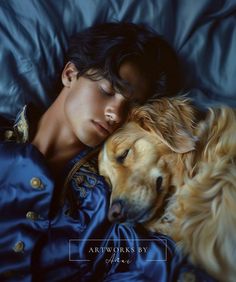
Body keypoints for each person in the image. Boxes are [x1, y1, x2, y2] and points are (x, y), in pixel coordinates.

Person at [0, 22, 214, 282]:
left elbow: (155, 262)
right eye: (108, 90)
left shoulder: (102, 200)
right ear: (70, 74)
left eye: (130, 105)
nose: (115, 114)